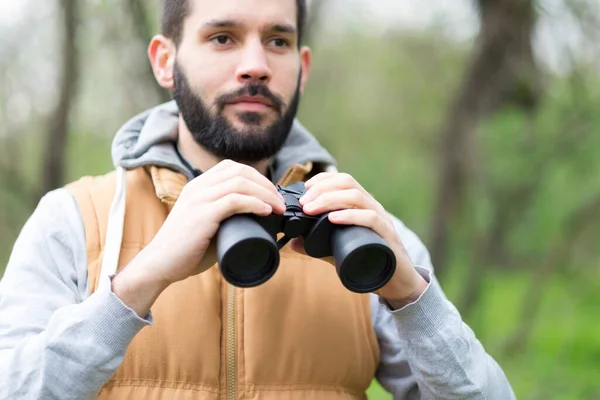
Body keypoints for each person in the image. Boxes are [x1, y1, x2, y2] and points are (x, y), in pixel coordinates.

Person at [0, 0, 516, 399]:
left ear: (303, 67)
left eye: (277, 41)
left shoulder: (365, 231)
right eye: (223, 38)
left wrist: (411, 297)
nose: (255, 65)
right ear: (165, 60)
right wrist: (140, 281)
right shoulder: (74, 219)